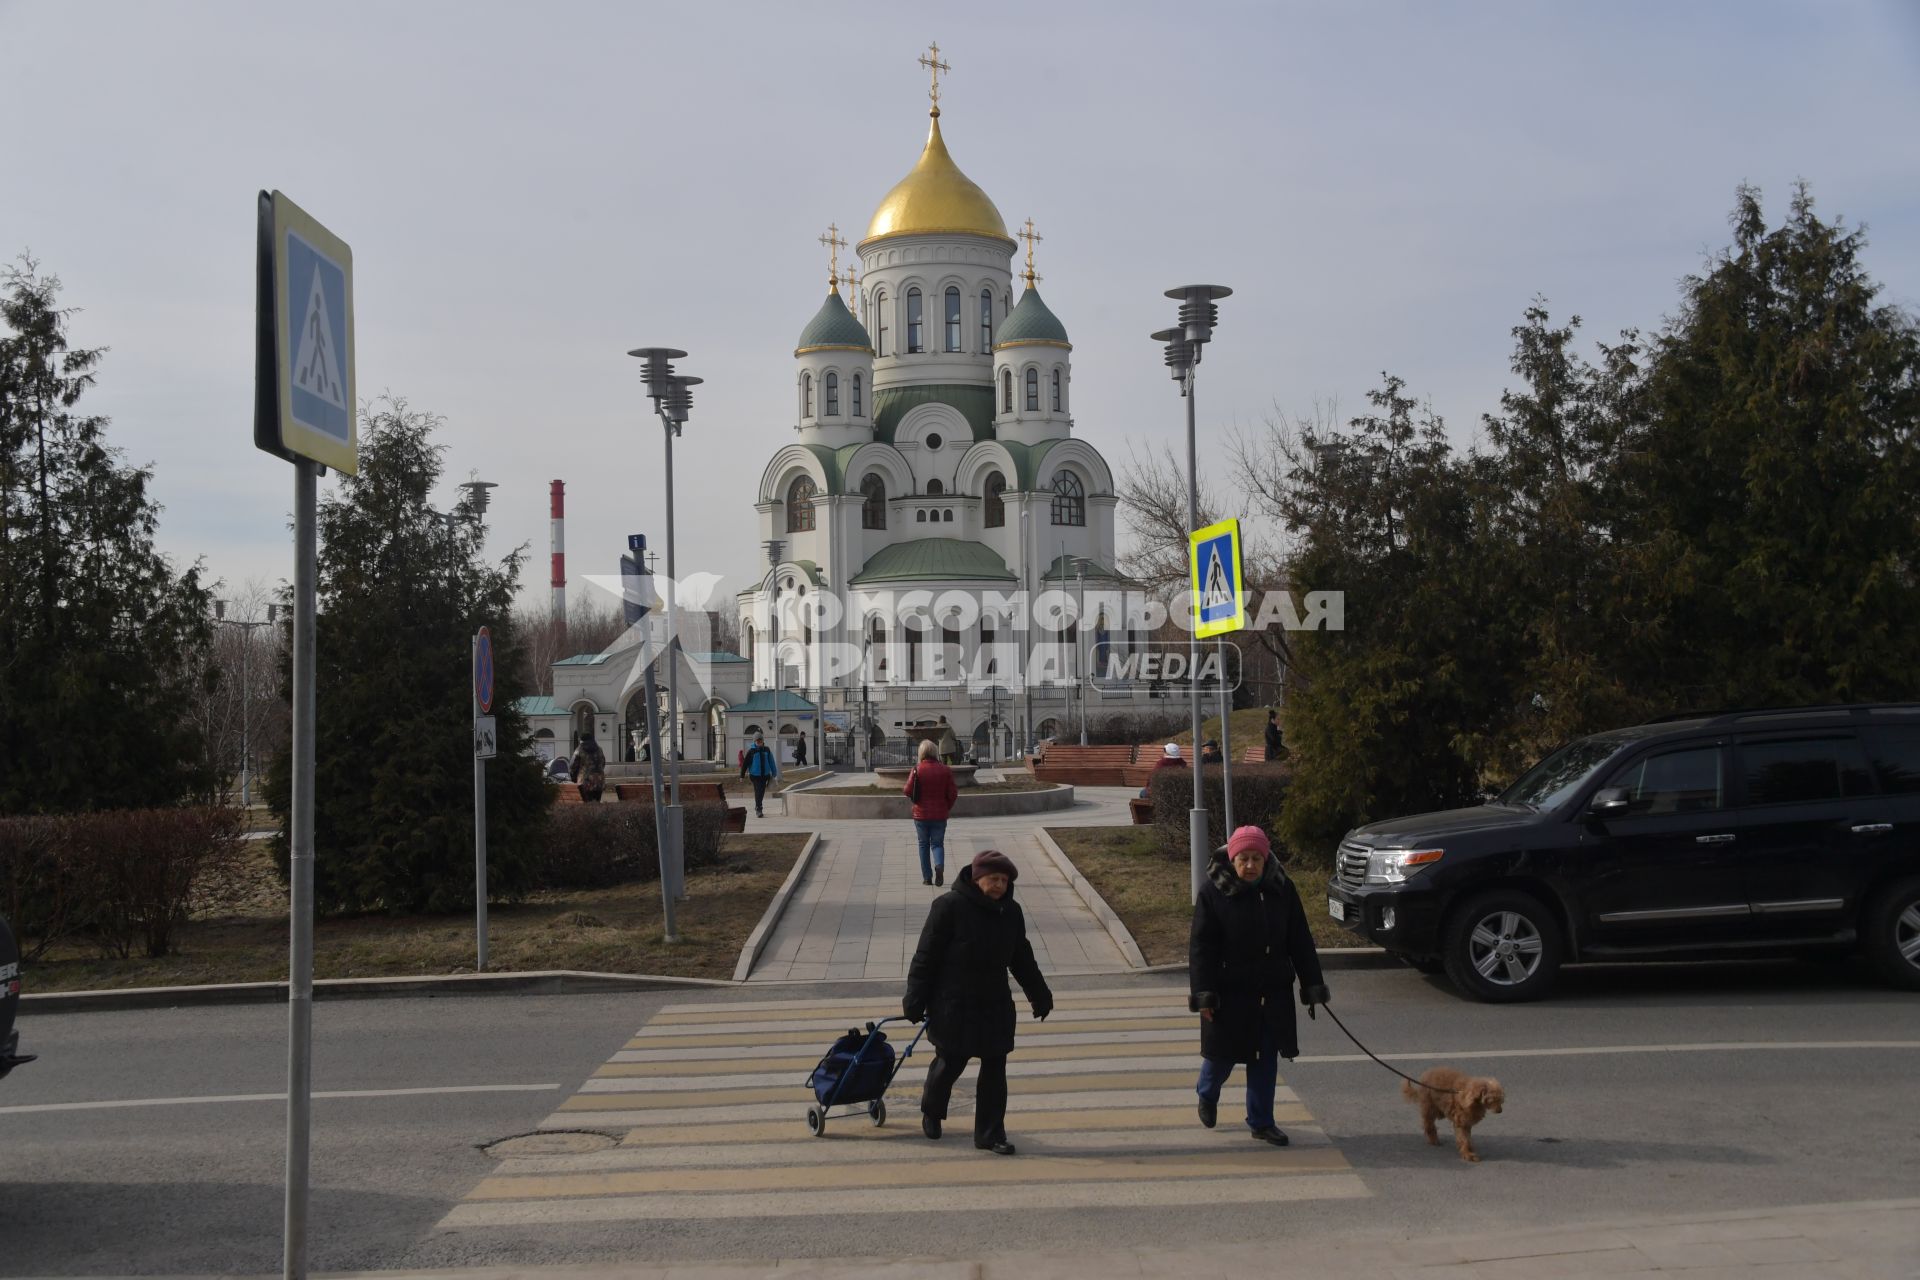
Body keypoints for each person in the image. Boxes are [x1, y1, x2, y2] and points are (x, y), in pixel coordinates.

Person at [905, 849, 1052, 1156]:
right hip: (954, 1002)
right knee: (950, 1062)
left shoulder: (1010, 912)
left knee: (995, 1069)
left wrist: (1039, 995)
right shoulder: (948, 907)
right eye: (992, 878)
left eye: (1003, 880)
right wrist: (915, 998)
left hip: (995, 1003)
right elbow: (926, 956)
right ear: (977, 878)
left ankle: (990, 1133)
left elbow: (1021, 957)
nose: (998, 885)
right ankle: (932, 1110)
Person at [1189, 825, 1329, 1147]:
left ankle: (1262, 1121)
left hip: (1272, 992)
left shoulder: (1282, 890)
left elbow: (1300, 940)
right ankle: (1207, 1093)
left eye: (1256, 858)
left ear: (1266, 860)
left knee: (1265, 1059)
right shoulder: (1213, 893)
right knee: (1221, 1057)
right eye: (1243, 858)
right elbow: (1201, 948)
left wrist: (1312, 984)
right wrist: (1204, 994)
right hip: (1229, 993)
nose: (1250, 865)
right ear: (1232, 859)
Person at [904, 739, 959, 886]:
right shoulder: (945, 770)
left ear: (921, 753)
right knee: (937, 844)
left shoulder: (917, 769)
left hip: (920, 815)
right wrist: (946, 807)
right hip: (940, 815)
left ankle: (927, 878)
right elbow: (953, 793)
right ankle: (939, 865)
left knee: (923, 844)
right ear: (935, 752)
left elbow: (907, 790)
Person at [740, 732, 779, 818]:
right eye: (757, 741)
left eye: (760, 741)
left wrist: (774, 773)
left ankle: (758, 806)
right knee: (758, 791)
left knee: (761, 791)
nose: (759, 743)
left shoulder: (767, 750)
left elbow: (771, 761)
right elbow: (745, 764)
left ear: (763, 741)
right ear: (754, 742)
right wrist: (742, 776)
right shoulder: (751, 751)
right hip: (755, 776)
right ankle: (759, 809)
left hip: (765, 775)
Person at [570, 734, 606, 803]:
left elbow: (573, 766)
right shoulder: (599, 749)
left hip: (584, 781)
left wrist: (574, 778)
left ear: (581, 740)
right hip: (599, 781)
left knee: (587, 803)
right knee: (596, 803)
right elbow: (603, 763)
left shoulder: (579, 749)